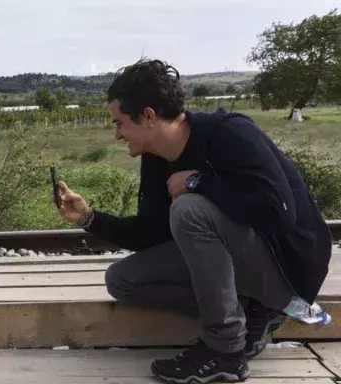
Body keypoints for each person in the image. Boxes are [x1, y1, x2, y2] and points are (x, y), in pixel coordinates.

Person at [55, 59, 332, 383]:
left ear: (148, 116)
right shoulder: (156, 157)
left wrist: (198, 183)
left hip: (289, 266)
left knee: (188, 209)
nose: (116, 134)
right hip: (241, 257)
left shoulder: (229, 133)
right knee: (122, 280)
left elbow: (280, 214)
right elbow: (150, 233)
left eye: (120, 123)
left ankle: (225, 349)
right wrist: (89, 218)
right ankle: (249, 311)